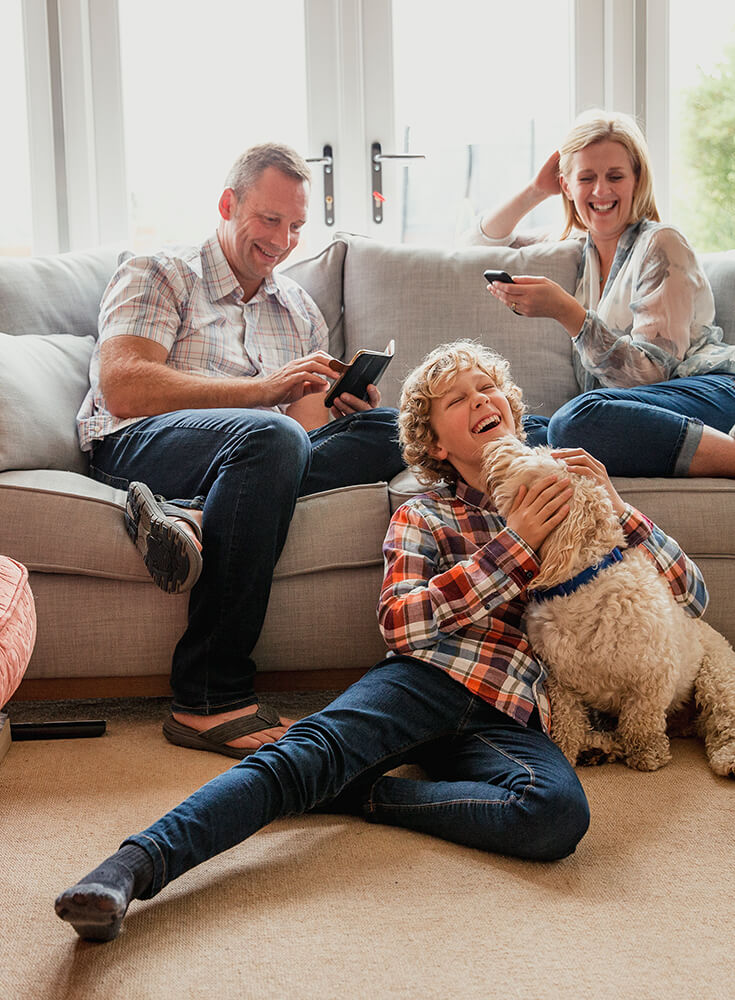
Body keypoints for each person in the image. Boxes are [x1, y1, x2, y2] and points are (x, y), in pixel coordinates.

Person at [56, 340, 597, 943]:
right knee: (296, 761)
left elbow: (690, 591)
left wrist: (622, 508)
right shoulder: (423, 514)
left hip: (508, 708)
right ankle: (128, 870)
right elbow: (401, 621)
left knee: (557, 816)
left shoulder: (570, 500)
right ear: (437, 445)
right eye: (458, 399)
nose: (480, 400)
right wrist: (513, 544)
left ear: (516, 412)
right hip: (423, 682)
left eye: (489, 389)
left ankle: (365, 795)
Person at [76, 143, 404, 758]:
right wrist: (264, 393)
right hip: (138, 441)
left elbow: (301, 438)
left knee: (391, 430)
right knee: (270, 434)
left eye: (297, 226)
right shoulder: (160, 271)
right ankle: (206, 696)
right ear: (229, 204)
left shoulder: (298, 307)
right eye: (270, 220)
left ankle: (193, 513)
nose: (283, 241)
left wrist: (336, 410)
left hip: (258, 457)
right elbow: (123, 387)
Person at [466, 108, 735, 477]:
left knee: (577, 418)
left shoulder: (661, 243)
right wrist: (536, 189)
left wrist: (568, 313)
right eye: (586, 178)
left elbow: (652, 376)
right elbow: (477, 245)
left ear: (636, 180)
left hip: (706, 390)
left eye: (615, 176)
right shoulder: (575, 247)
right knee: (520, 430)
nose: (601, 191)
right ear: (567, 186)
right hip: (632, 410)